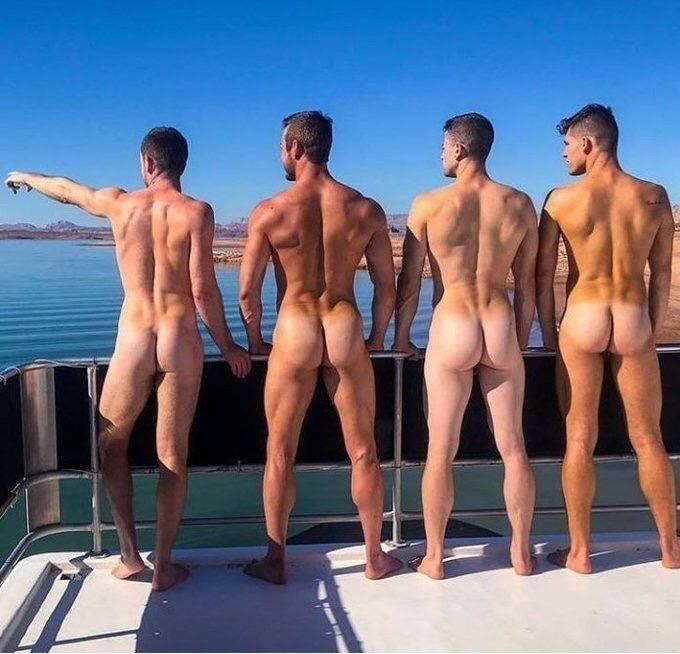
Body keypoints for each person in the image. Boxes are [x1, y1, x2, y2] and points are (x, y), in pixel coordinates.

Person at [5, 127, 251, 590]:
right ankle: (165, 566)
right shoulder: (197, 212)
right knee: (172, 454)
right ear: (181, 164)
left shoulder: (121, 204)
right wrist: (230, 347)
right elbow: (202, 290)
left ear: (147, 162)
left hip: (135, 339)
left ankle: (130, 555)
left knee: (110, 444)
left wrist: (24, 176)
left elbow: (69, 191)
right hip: (179, 339)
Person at [238, 110, 402, 584]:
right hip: (344, 325)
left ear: (295, 148)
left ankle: (275, 561)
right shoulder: (365, 209)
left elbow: (248, 293)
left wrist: (254, 341)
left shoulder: (270, 211)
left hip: (295, 329)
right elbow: (386, 287)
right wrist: (377, 337)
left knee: (279, 452)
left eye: (280, 146)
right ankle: (374, 557)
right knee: (363, 451)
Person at [536, 103, 680, 573]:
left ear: (587, 143)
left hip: (583, 317)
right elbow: (661, 273)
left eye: (566, 145)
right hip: (633, 317)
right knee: (649, 438)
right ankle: (670, 548)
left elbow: (541, 277)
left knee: (579, 437)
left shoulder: (560, 199)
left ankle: (580, 553)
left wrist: (548, 333)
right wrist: (649, 330)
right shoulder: (654, 195)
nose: (563, 154)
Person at [394, 113, 537, 579]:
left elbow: (409, 282)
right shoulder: (519, 203)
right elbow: (528, 285)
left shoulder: (429, 204)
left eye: (442, 147)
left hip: (452, 322)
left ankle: (435, 558)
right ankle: (521, 553)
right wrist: (520, 339)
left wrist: (400, 338)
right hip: (499, 323)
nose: (440, 155)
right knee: (513, 448)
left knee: (441, 449)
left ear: (458, 149)